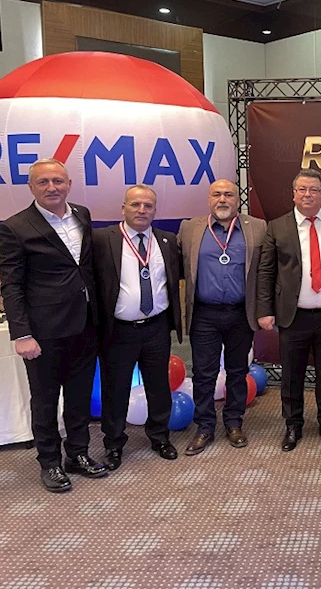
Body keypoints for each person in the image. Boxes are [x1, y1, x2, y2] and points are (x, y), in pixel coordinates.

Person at [0, 158, 108, 492]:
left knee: (79, 397)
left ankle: (77, 454)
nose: (52, 187)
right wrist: (22, 334)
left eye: (58, 181)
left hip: (85, 325)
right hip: (44, 333)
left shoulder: (82, 215)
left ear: (69, 184)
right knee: (45, 401)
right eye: (43, 182)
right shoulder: (14, 228)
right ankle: (49, 462)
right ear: (31, 187)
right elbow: (11, 285)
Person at [256, 169, 321, 452]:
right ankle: (293, 425)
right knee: (291, 375)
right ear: (294, 194)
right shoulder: (277, 227)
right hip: (293, 316)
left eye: (313, 190)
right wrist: (264, 310)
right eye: (302, 189)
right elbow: (266, 271)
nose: (307, 194)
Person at [93, 185, 182, 470]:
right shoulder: (102, 239)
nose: (141, 210)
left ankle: (160, 437)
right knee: (115, 389)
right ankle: (114, 444)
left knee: (159, 386)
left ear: (155, 210)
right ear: (123, 208)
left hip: (156, 327)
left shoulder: (167, 240)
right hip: (119, 330)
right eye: (135, 204)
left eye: (148, 205)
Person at [177, 179, 267, 455]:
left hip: (241, 313)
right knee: (203, 373)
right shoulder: (190, 228)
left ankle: (234, 423)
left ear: (237, 199)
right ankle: (204, 427)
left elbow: (267, 271)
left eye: (228, 194)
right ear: (209, 199)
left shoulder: (257, 228)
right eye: (217, 194)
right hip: (204, 314)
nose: (222, 199)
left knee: (238, 372)